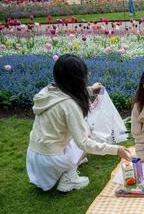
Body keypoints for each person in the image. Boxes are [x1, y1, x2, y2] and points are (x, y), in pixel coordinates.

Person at [26, 54, 132, 193]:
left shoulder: (47, 91)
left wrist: (91, 90)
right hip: (51, 160)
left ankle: (68, 165)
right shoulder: (69, 106)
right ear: (78, 79)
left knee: (79, 134)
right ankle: (69, 178)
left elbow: (67, 93)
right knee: (87, 133)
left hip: (35, 157)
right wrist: (115, 149)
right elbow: (84, 143)